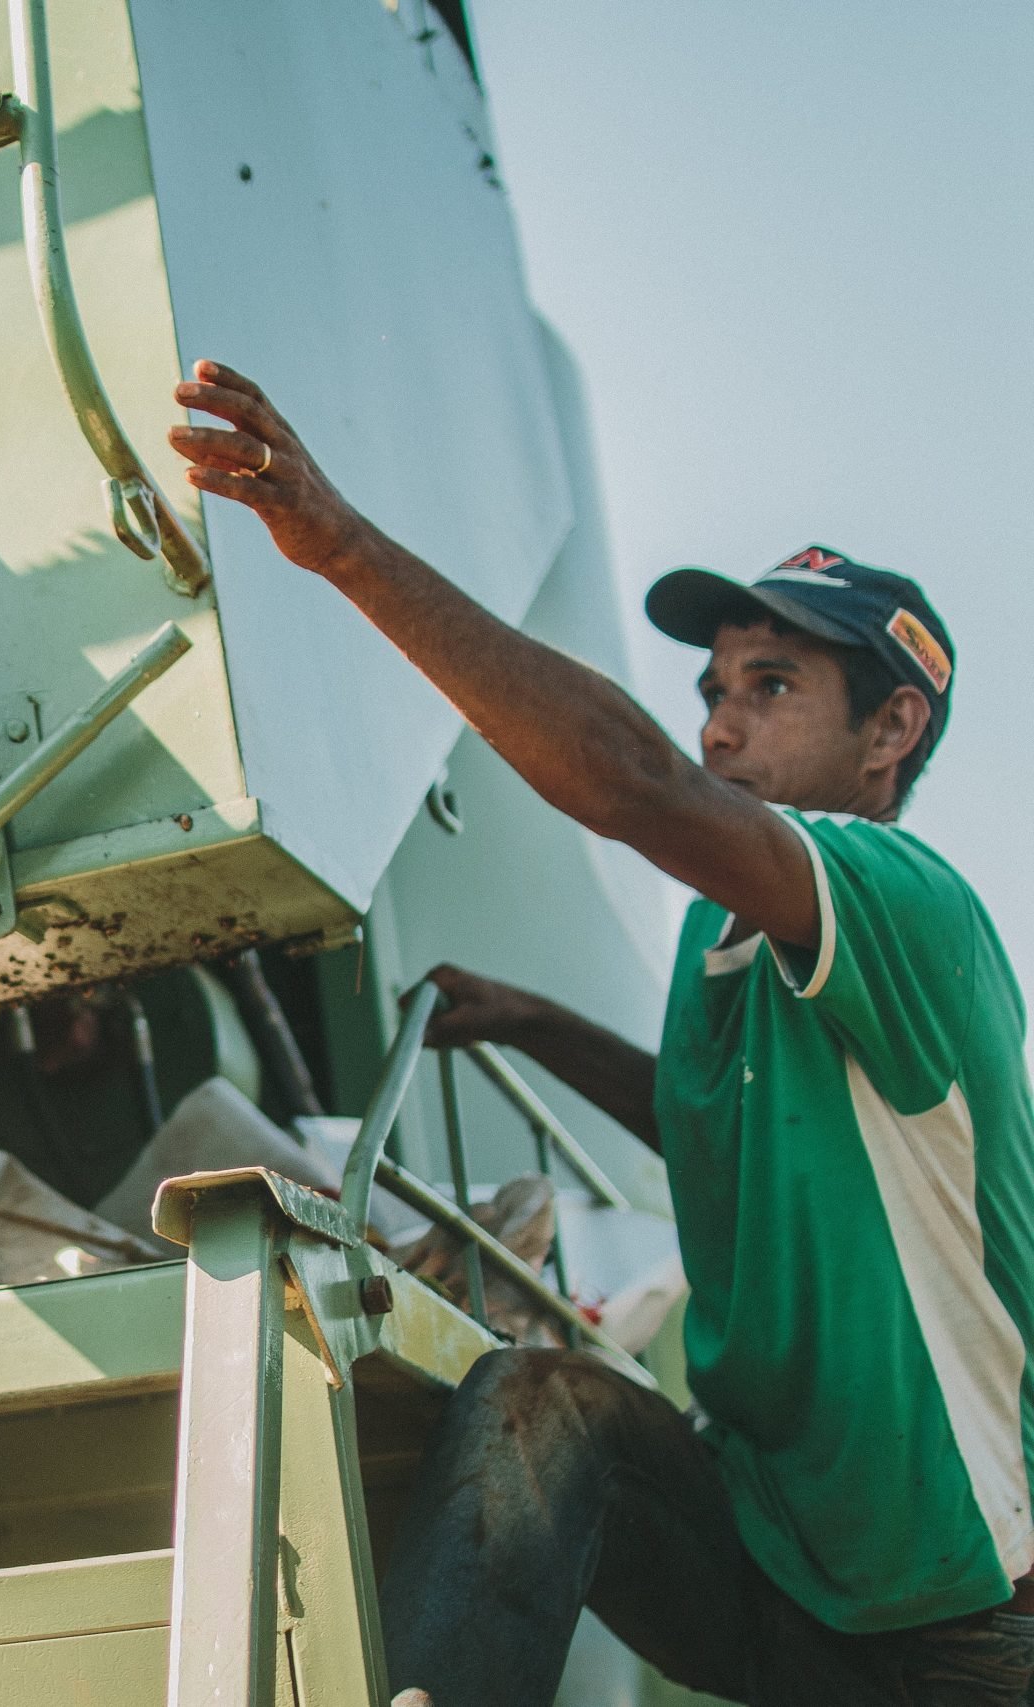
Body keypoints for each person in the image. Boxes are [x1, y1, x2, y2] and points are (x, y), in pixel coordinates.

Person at [168, 361, 1034, 1706]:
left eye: (771, 686)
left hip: (966, 1610)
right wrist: (545, 1029)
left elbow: (636, 784)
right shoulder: (722, 944)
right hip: (785, 1564)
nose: (719, 721)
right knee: (541, 1401)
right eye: (711, 686)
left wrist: (340, 547)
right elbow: (711, 1134)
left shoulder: (902, 905)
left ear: (892, 730)